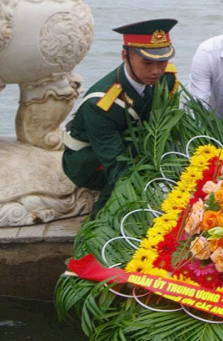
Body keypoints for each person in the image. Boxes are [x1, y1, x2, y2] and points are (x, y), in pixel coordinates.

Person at [62, 19, 181, 210]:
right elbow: (117, 166)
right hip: (89, 158)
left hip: (133, 142)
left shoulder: (165, 78)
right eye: (147, 62)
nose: (156, 70)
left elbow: (167, 125)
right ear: (125, 55)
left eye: (163, 60)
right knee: (128, 177)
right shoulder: (101, 103)